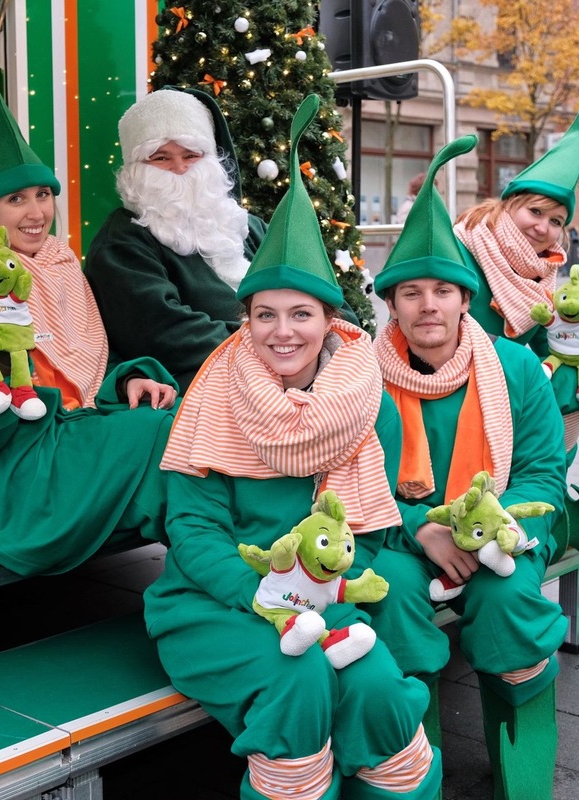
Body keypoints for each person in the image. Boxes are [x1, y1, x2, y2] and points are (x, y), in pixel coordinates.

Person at [145, 95, 442, 800]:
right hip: (216, 604)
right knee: (299, 676)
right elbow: (190, 526)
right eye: (265, 315)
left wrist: (323, 593)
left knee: (375, 688)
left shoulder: (360, 402)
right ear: (244, 321)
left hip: (327, 602)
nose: (283, 331)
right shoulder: (211, 396)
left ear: (329, 321)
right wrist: (267, 594)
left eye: (300, 314)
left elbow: (370, 529)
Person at [0, 36, 177, 576]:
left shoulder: (61, 266)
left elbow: (78, 379)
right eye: (17, 199)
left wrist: (125, 384)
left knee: (165, 415)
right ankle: (219, 581)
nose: (37, 213)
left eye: (44, 195)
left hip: (65, 437)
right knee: (156, 436)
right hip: (8, 471)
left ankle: (212, 566)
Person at [368, 134, 569, 799]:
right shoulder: (358, 381)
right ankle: (405, 741)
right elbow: (345, 484)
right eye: (411, 292)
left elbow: (542, 473)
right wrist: (418, 526)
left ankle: (524, 735)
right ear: (392, 305)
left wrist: (491, 530)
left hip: (501, 536)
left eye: (443, 291)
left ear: (464, 299)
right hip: (397, 535)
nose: (429, 305)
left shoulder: (513, 369)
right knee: (390, 590)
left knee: (508, 595)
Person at [452, 79, 579, 461]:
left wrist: (578, 343)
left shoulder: (543, 272)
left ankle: (548, 478)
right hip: (458, 389)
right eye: (535, 212)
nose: (543, 228)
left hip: (511, 390)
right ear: (509, 205)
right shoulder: (466, 248)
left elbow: (542, 342)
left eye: (556, 221)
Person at [84, 87, 267, 391]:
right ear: (135, 168)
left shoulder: (251, 227)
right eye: (161, 158)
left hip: (289, 373)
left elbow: (318, 293)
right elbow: (161, 331)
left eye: (191, 155)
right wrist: (271, 344)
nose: (179, 169)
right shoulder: (121, 242)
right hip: (208, 389)